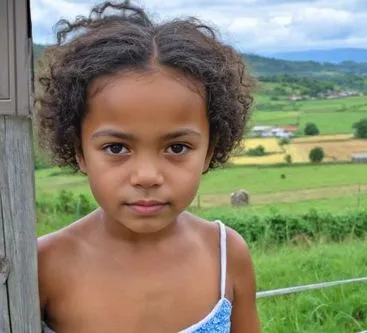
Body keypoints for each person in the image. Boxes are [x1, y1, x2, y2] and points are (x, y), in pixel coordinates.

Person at [36, 1, 260, 332]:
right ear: (79, 150)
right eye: (116, 148)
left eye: (177, 147)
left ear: (210, 151)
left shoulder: (227, 255)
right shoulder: (44, 265)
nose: (147, 177)